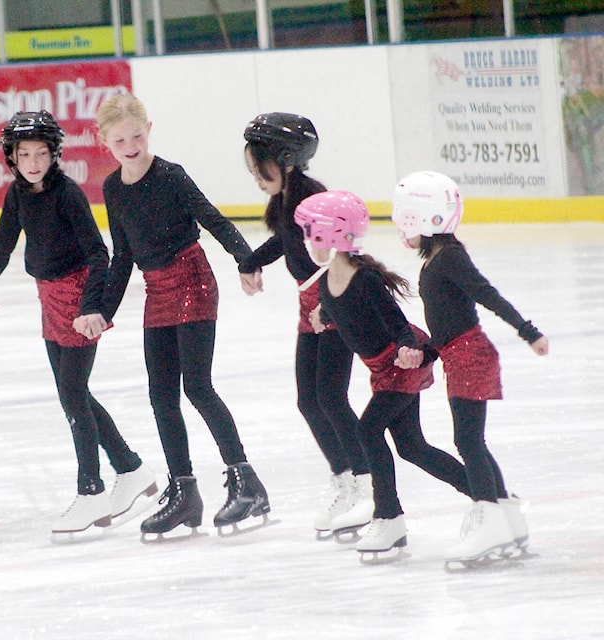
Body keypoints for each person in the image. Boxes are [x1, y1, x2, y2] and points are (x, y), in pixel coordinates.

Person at [91, 92, 270, 539]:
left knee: (198, 387)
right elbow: (122, 256)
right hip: (156, 290)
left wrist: (245, 259)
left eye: (137, 135)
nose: (130, 145)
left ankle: (247, 482)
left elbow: (212, 219)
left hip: (192, 281)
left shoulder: (170, 175)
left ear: (149, 130)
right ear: (104, 142)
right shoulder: (113, 189)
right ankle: (184, 491)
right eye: (119, 140)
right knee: (161, 394)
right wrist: (101, 311)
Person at [0, 111, 157, 536]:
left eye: (41, 153)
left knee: (72, 394)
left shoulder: (68, 194)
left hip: (79, 297)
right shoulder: (17, 195)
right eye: (24, 154)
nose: (33, 162)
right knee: (74, 394)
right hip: (48, 296)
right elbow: (3, 240)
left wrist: (91, 307)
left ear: (54, 154)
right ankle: (130, 469)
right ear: (12, 159)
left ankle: (90, 491)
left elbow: (98, 254)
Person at [295, 190, 472, 560]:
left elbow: (396, 322)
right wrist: (323, 318)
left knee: (367, 430)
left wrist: (410, 350)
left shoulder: (364, 280)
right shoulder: (328, 283)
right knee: (412, 448)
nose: (308, 240)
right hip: (383, 372)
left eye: (313, 232)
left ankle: (388, 516)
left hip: (402, 365)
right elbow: (340, 312)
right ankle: (484, 492)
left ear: (335, 235)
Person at [392, 170, 547, 564]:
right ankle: (507, 519)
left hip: (471, 356)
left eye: (405, 216)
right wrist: (427, 353)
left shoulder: (451, 258)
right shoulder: (437, 259)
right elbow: (443, 322)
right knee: (471, 440)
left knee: (468, 441)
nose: (399, 225)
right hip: (458, 355)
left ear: (425, 219)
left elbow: (486, 294)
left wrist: (527, 331)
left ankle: (490, 519)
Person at [240, 113, 372, 539]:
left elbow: (341, 255)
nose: (256, 178)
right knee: (309, 400)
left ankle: (367, 484)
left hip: (334, 301)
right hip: (309, 303)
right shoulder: (288, 200)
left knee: (330, 398)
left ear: (286, 161)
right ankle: (346, 477)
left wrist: (331, 309)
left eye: (260, 167)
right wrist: (252, 259)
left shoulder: (313, 199)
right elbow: (285, 239)